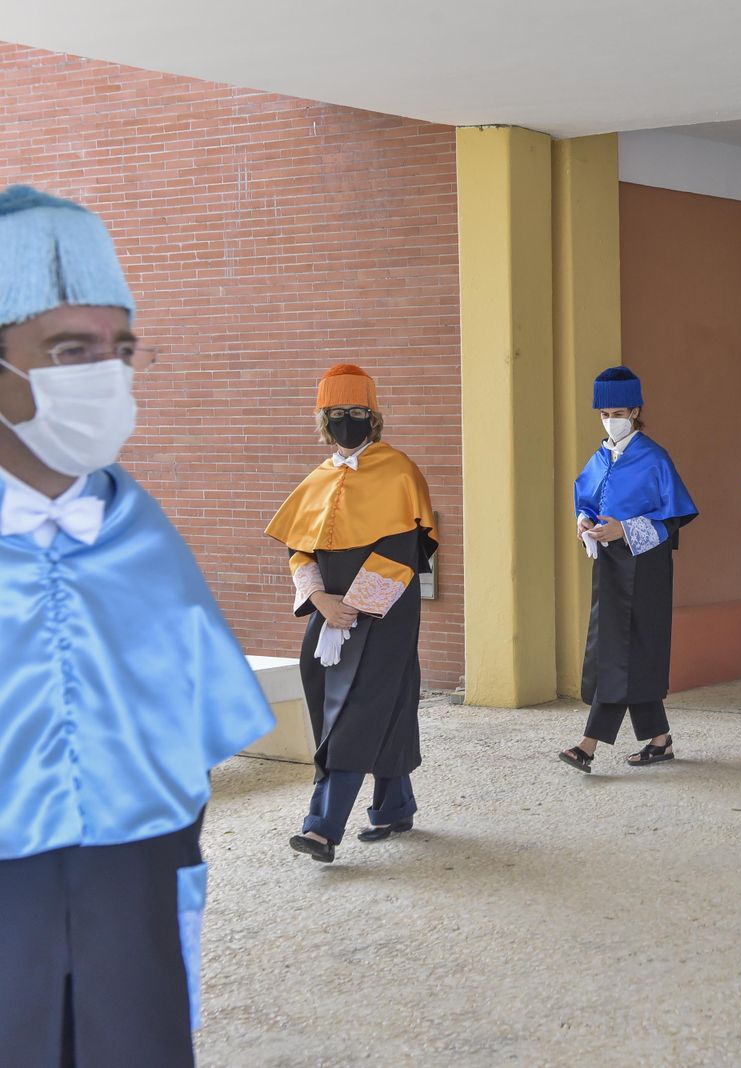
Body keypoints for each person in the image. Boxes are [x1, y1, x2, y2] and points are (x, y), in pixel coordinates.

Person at [0, 185, 274, 1065]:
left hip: (136, 880)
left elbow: (192, 731)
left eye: (120, 350)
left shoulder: (143, 537)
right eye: (69, 349)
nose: (106, 375)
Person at [267, 364, 438, 863]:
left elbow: (403, 551)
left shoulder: (399, 470)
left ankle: (322, 827)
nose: (348, 421)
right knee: (339, 698)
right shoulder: (317, 479)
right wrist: (322, 602)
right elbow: (300, 551)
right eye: (337, 413)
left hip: (385, 611)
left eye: (358, 412)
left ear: (374, 417)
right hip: (329, 609)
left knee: (358, 707)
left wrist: (355, 608)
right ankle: (393, 806)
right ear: (323, 420)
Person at [560, 366, 698, 771]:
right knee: (625, 650)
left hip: (646, 564)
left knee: (621, 651)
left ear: (636, 410)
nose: (609, 420)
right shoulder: (600, 456)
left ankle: (587, 744)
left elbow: (673, 518)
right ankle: (660, 740)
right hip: (609, 564)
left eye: (617, 412)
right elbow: (586, 498)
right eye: (603, 414)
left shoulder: (655, 458)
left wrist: (625, 528)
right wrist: (583, 521)